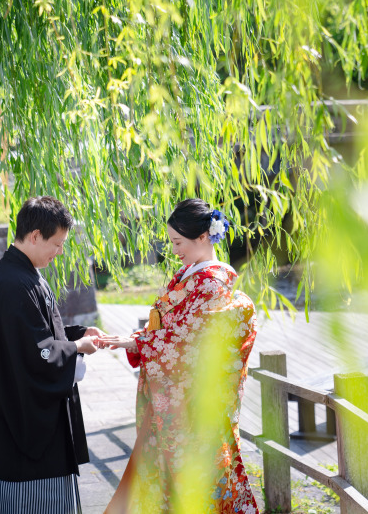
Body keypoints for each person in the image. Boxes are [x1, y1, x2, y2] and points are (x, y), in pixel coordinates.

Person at [99, 199, 259, 513]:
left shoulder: (211, 284)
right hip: (176, 395)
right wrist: (140, 340)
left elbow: (189, 340)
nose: (174, 250)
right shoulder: (191, 274)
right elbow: (173, 330)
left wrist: (138, 343)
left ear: (203, 237)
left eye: (178, 242)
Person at [0, 196, 102, 514]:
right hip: (22, 436)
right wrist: (77, 348)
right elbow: (36, 353)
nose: (59, 252)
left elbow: (37, 334)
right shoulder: (14, 284)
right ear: (35, 236)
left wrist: (77, 334)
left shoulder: (19, 274)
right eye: (57, 244)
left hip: (20, 422)